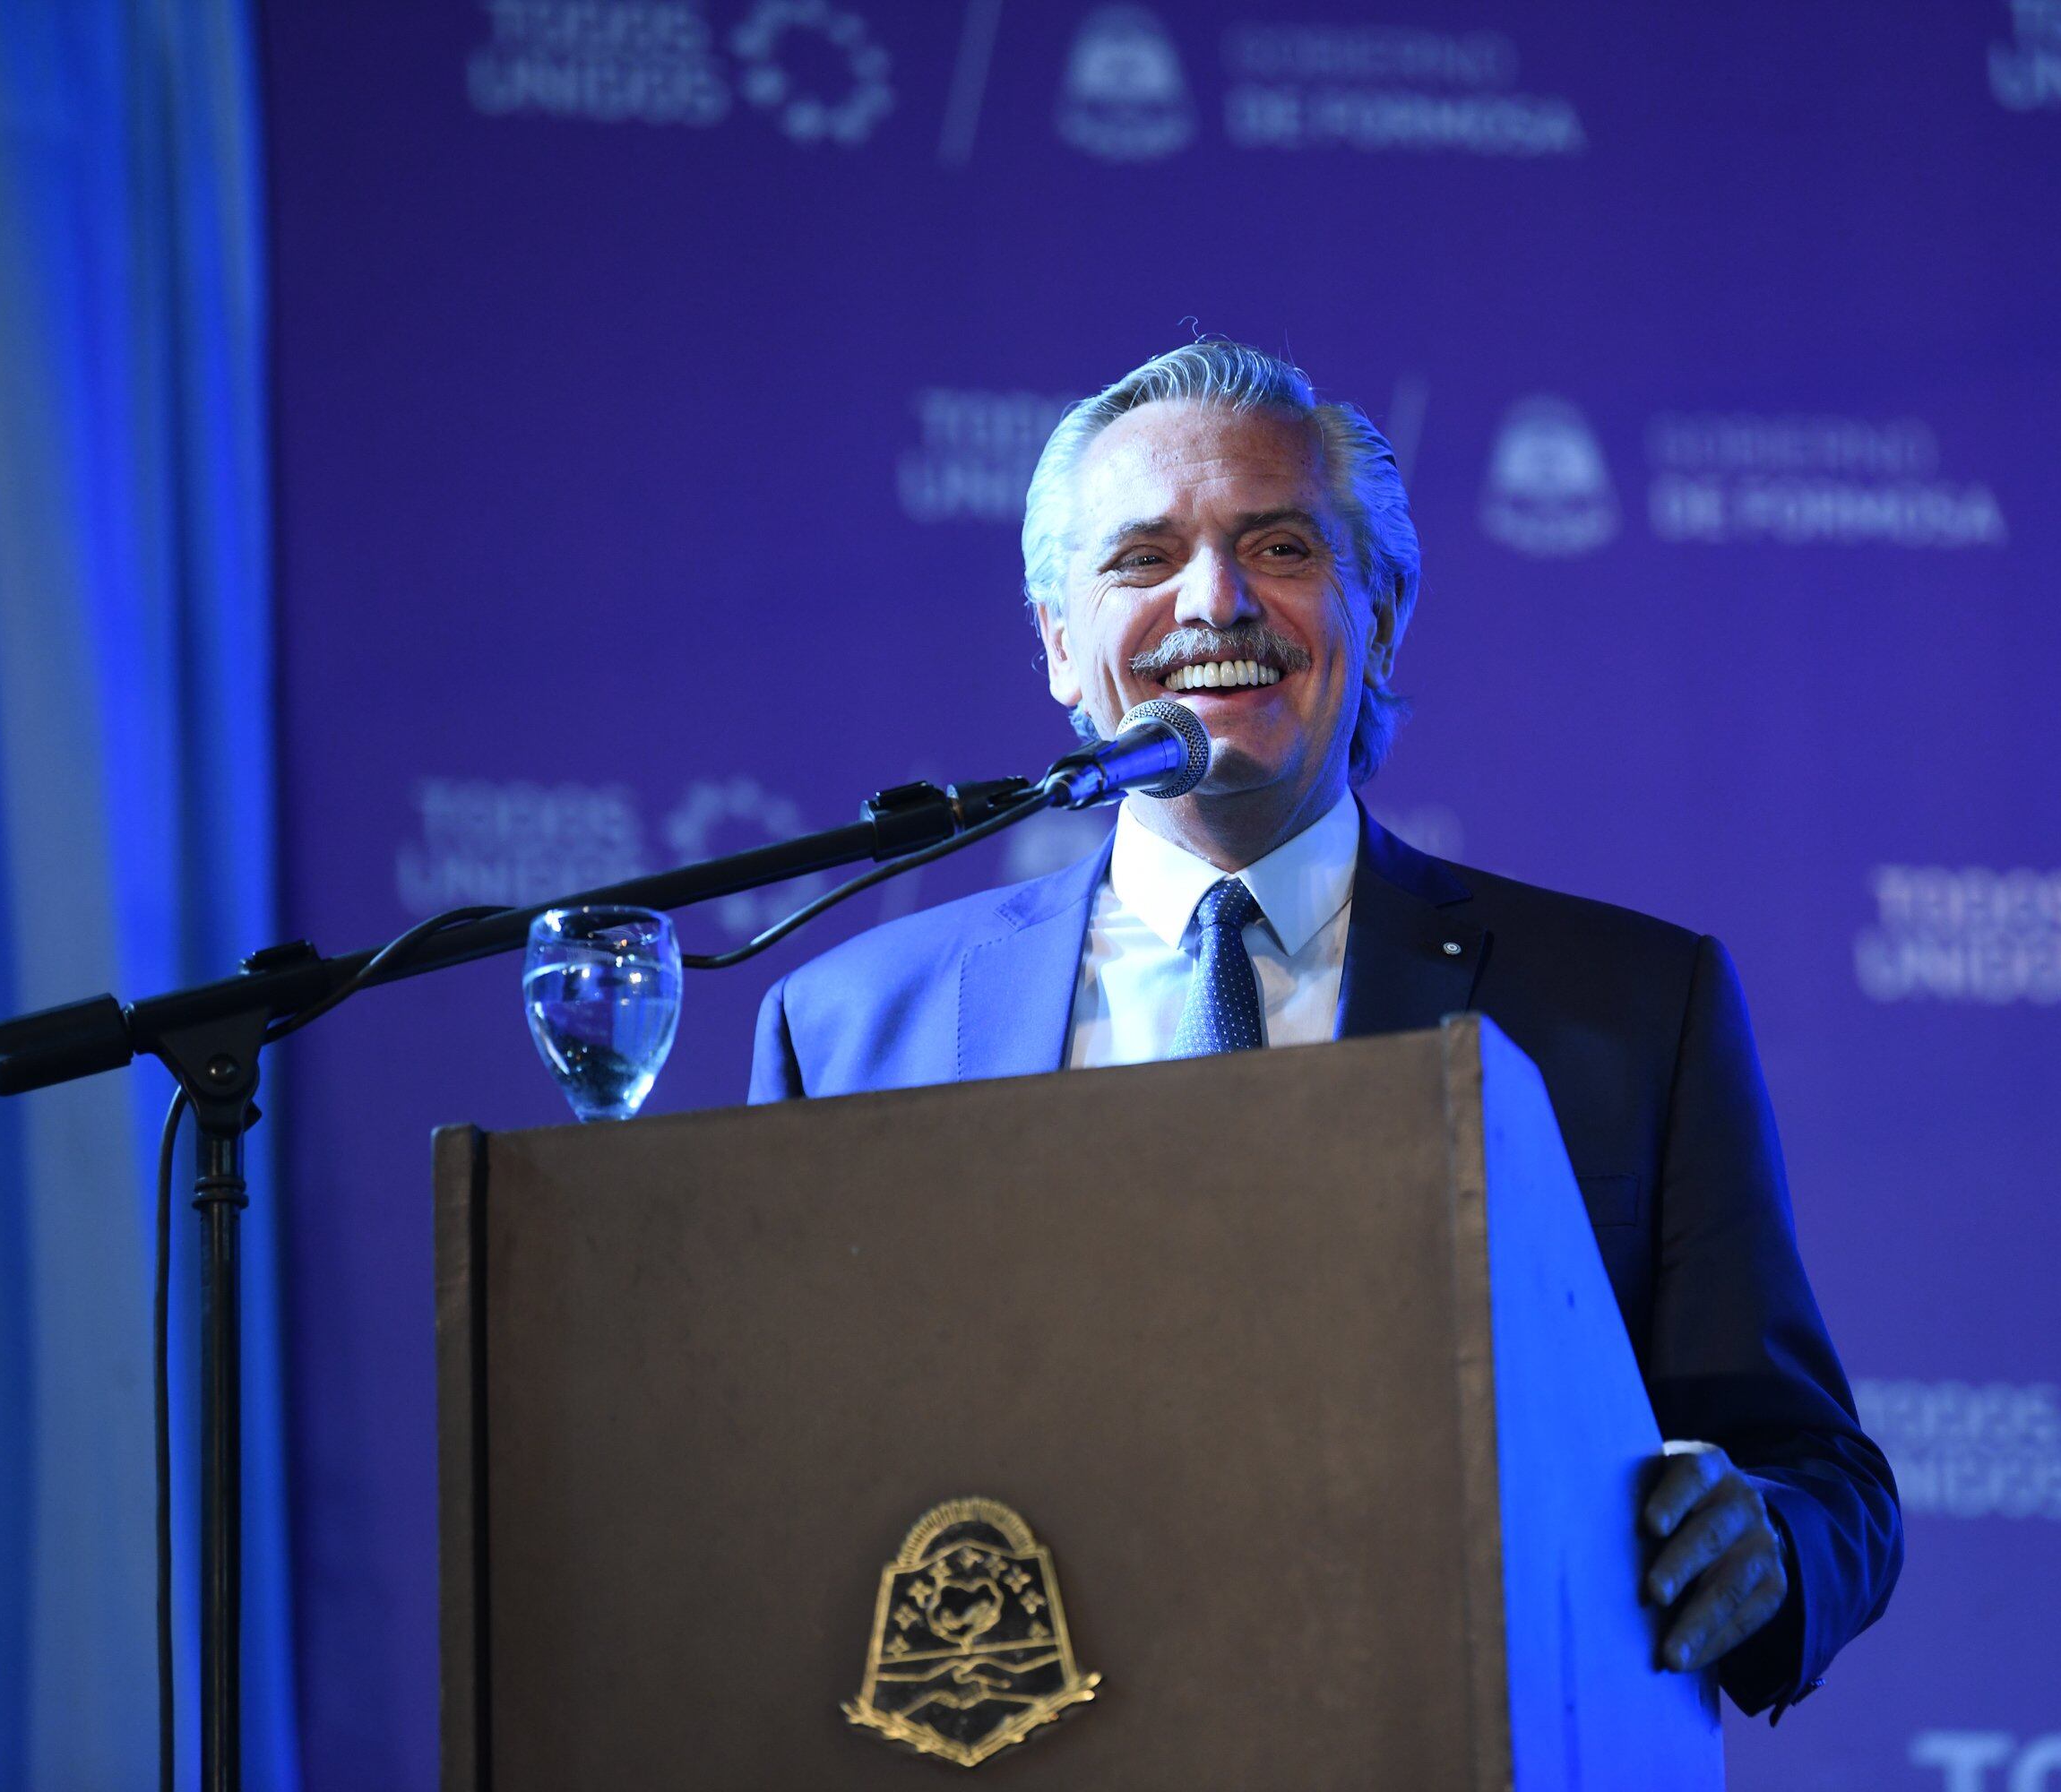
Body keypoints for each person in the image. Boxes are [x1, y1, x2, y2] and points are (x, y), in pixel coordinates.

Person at [751, 339, 1899, 1720]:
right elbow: (787, 1489)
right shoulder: (852, 1025)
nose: (1213, 602)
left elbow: (1819, 1479)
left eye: (1279, 545)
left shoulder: (1626, 1010)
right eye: (1140, 562)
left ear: (1384, 617)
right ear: (1060, 646)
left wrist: (1762, 1541)